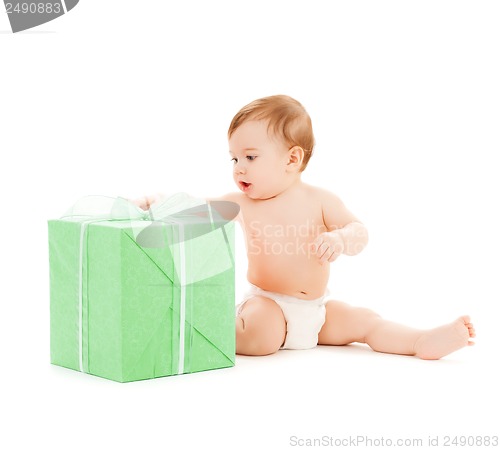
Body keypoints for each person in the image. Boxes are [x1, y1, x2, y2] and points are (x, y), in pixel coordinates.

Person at [133, 95, 475, 359]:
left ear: (292, 159)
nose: (239, 168)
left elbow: (360, 232)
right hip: (268, 304)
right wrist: (163, 205)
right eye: (234, 158)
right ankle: (193, 323)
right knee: (260, 335)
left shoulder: (321, 200)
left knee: (364, 321)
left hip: (316, 311)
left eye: (250, 157)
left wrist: (340, 239)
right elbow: (197, 212)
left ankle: (420, 341)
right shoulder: (241, 204)